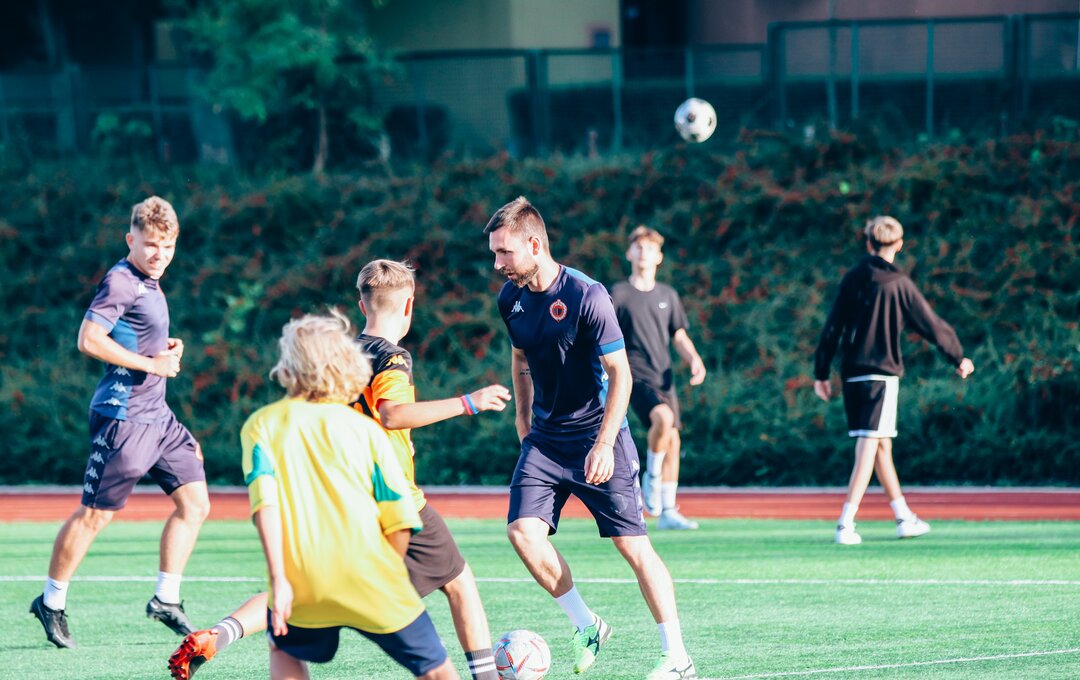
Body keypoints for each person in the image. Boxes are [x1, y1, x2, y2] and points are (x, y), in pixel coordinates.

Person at [169, 260, 510, 680]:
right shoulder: (391, 358)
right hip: (391, 497)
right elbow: (392, 414)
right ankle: (486, 676)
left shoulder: (337, 359)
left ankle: (222, 632)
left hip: (330, 502)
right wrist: (468, 402)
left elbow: (267, 505)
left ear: (361, 306)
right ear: (409, 306)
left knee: (298, 593)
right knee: (458, 581)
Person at [487, 197, 696, 679]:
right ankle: (587, 624)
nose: (497, 264)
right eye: (495, 253)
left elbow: (620, 373)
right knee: (522, 533)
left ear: (534, 245)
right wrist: (522, 420)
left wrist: (603, 444)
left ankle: (678, 657)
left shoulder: (588, 295)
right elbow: (520, 360)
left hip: (599, 437)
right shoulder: (510, 299)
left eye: (504, 252)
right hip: (545, 440)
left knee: (633, 547)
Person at [240, 310, 459, 679]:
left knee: (283, 647)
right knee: (437, 671)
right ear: (346, 363)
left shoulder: (261, 425)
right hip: (372, 577)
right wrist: (388, 573)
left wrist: (280, 579)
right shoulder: (367, 430)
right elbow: (399, 519)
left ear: (288, 365)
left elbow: (266, 507)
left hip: (305, 583)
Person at [31, 197, 210, 649]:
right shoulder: (121, 281)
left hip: (159, 417)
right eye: (150, 245)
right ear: (131, 239)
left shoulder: (150, 282)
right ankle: (51, 602)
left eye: (168, 246)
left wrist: (163, 349)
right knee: (95, 515)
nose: (159, 255)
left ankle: (166, 599)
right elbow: (89, 339)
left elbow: (133, 336)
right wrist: (151, 364)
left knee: (195, 504)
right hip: (123, 418)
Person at [813, 216, 975, 545]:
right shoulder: (899, 283)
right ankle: (846, 523)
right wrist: (957, 356)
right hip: (881, 374)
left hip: (852, 374)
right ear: (899, 245)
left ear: (868, 243)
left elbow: (832, 327)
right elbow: (930, 324)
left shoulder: (853, 278)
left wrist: (821, 372)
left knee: (881, 445)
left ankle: (904, 518)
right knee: (869, 443)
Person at [611, 226, 707, 531]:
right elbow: (604, 334)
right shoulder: (618, 294)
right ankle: (650, 477)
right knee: (662, 419)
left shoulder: (668, 294)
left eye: (650, 248)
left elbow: (678, 335)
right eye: (639, 247)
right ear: (629, 253)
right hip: (633, 374)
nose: (644, 252)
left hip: (663, 376)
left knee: (673, 440)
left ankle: (668, 511)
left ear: (659, 257)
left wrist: (694, 359)